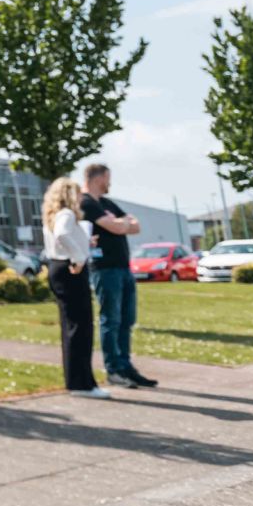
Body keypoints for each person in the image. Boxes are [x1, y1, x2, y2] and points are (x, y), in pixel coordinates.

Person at [79, 162, 156, 389]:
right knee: (111, 320)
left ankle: (126, 366)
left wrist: (120, 223)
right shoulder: (86, 203)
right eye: (107, 177)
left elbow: (134, 225)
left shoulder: (106, 203)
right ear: (98, 178)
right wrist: (121, 224)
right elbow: (117, 227)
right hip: (105, 270)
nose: (109, 182)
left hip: (123, 268)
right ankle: (113, 369)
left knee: (126, 320)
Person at [41, 177, 106, 399]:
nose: (81, 198)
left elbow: (61, 237)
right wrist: (79, 258)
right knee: (81, 327)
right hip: (70, 270)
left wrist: (84, 244)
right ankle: (82, 384)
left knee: (71, 327)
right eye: (77, 194)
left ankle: (78, 380)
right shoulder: (67, 215)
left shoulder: (54, 216)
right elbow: (63, 235)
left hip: (57, 267)